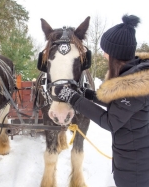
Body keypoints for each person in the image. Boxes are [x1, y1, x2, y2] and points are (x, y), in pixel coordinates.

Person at [54, 14, 149, 187]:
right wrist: (87, 94)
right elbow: (118, 104)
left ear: (115, 54)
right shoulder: (133, 76)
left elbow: (110, 122)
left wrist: (73, 98)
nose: (104, 55)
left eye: (106, 51)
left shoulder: (136, 86)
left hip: (135, 169)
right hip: (131, 158)